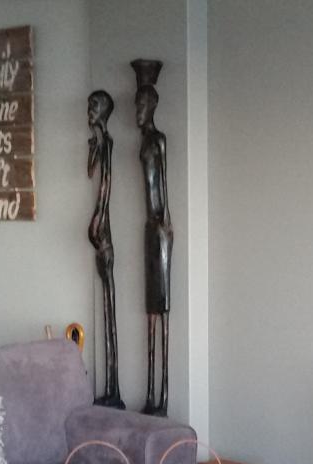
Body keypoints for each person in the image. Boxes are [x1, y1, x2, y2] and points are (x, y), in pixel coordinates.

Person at [132, 59, 173, 416]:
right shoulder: (143, 141)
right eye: (136, 105)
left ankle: (162, 395)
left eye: (142, 105)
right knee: (149, 309)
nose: (138, 111)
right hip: (148, 227)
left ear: (153, 106)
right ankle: (149, 396)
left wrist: (165, 228)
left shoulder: (158, 141)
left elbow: (164, 190)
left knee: (163, 307)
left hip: (160, 226)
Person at [87, 89, 124, 408]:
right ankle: (111, 387)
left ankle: (114, 388)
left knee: (110, 308)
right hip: (101, 233)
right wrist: (92, 149)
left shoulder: (109, 142)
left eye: (95, 106)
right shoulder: (100, 141)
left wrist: (98, 215)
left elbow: (105, 184)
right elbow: (90, 172)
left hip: (105, 234)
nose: (90, 110)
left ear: (106, 111)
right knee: (106, 307)